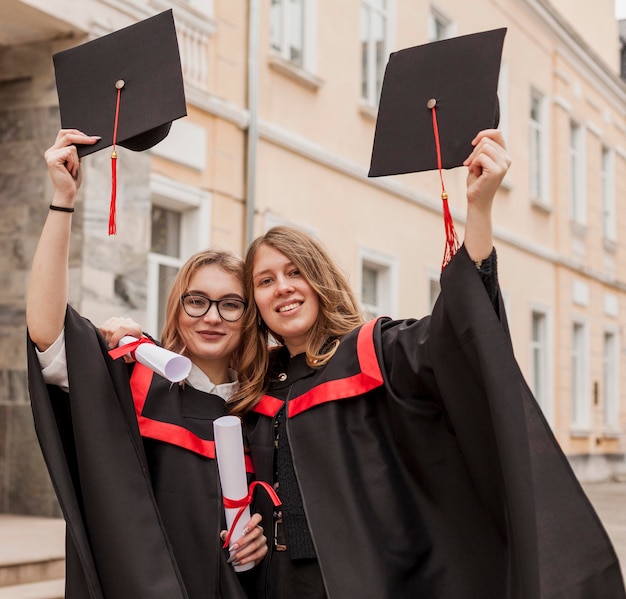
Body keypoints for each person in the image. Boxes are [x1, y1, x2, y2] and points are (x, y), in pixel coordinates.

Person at [230, 130, 626, 598]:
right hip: (275, 585)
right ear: (254, 300)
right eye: (266, 280)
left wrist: (478, 212)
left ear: (320, 281)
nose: (283, 288)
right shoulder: (257, 387)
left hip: (364, 578)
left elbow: (454, 336)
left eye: (296, 272)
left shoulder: (373, 353)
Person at [26, 129, 267, 599]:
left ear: (249, 317)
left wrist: (259, 543)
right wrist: (63, 200)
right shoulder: (136, 378)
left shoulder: (264, 409)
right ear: (177, 307)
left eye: (231, 304)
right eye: (197, 301)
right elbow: (47, 333)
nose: (212, 317)